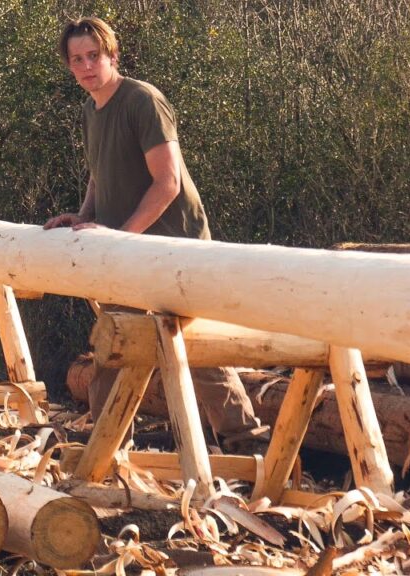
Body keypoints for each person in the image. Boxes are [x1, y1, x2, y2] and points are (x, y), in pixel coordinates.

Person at [45, 17, 264, 453]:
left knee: (194, 347)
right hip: (124, 248)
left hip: (174, 246)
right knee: (114, 341)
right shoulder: (90, 110)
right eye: (77, 59)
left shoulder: (143, 100)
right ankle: (108, 449)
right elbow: (99, 172)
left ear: (113, 55)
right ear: (69, 65)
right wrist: (83, 216)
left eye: (94, 56)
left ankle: (247, 444)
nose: (86, 66)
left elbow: (168, 184)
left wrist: (122, 237)